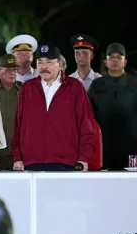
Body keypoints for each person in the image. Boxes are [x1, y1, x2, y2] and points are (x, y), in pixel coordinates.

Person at [11, 43, 99, 172]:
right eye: (40, 62)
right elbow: (18, 125)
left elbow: (86, 125)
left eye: (49, 62)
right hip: (32, 162)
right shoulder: (28, 88)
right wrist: (17, 157)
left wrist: (83, 157)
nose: (44, 67)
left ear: (60, 64)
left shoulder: (74, 87)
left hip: (67, 162)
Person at [87, 43, 137, 170]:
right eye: (111, 57)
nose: (115, 60)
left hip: (131, 145)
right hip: (103, 145)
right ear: (105, 62)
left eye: (119, 57)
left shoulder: (136, 83)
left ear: (125, 61)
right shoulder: (96, 85)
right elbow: (89, 114)